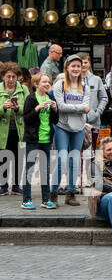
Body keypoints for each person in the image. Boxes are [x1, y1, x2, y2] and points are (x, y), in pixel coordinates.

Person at [51, 55, 95, 204]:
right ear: (67, 68)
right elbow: (61, 107)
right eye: (73, 66)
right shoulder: (59, 85)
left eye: (78, 66)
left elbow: (88, 108)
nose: (76, 69)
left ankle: (71, 193)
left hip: (79, 127)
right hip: (62, 126)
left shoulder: (85, 86)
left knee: (75, 160)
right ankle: (53, 193)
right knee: (62, 158)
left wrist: (81, 109)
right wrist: (80, 108)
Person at [21, 72, 58, 210]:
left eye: (48, 82)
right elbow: (26, 118)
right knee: (29, 169)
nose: (47, 84)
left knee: (44, 170)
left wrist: (55, 109)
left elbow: (56, 120)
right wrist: (37, 108)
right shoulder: (31, 98)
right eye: (44, 82)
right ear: (36, 84)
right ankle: (26, 200)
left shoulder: (51, 97)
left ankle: (45, 199)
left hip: (46, 139)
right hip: (33, 139)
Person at [0, 63, 29, 195]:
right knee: (3, 157)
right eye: (8, 76)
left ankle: (16, 185)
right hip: (3, 130)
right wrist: (3, 107)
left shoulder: (23, 89)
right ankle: (3, 185)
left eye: (13, 77)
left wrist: (18, 108)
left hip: (19, 129)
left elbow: (29, 107)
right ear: (3, 76)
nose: (11, 79)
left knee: (19, 157)